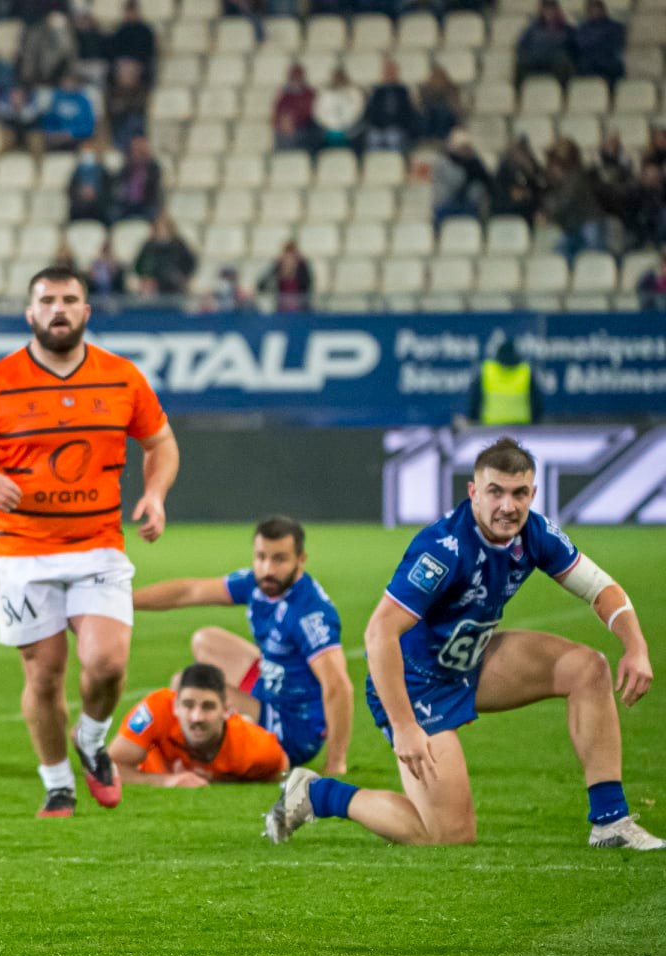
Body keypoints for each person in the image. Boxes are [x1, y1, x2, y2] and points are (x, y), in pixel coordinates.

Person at [269, 437, 658, 849]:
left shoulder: (534, 533)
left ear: (533, 494)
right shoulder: (443, 550)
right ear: (473, 491)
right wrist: (405, 727)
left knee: (588, 668)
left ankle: (611, 822)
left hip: (472, 664)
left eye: (519, 493)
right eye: (496, 492)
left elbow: (601, 589)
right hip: (417, 684)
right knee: (446, 835)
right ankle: (317, 794)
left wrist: (636, 647)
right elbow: (378, 633)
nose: (508, 506)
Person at [0, 264, 179, 818]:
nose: (58, 309)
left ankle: (91, 740)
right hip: (22, 551)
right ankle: (57, 782)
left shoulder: (122, 377)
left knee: (108, 664)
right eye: (47, 300)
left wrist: (156, 494)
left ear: (86, 311)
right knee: (44, 674)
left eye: (70, 299)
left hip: (99, 543)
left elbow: (161, 443)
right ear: (31, 313)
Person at [133, 515, 350, 773]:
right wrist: (123, 602)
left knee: (184, 687)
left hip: (293, 727)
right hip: (272, 687)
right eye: (261, 557)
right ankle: (225, 726)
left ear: (301, 560)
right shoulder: (258, 585)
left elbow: (339, 686)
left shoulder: (309, 614)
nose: (268, 569)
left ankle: (184, 756)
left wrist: (335, 763)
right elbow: (190, 591)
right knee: (206, 640)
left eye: (279, 559)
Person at [109, 664, 288, 787]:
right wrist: (167, 781)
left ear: (226, 710)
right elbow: (110, 766)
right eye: (188, 705)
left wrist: (223, 780)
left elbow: (280, 769)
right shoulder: (156, 709)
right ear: (175, 706)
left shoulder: (253, 745)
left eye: (208, 707)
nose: (196, 717)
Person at [465, 339, 543, 425]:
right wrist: (534, 422)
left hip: (491, 428)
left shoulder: (487, 371)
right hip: (520, 428)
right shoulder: (525, 372)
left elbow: (475, 402)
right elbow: (536, 404)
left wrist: (475, 421)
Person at [361, 58, 419, 153]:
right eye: (386, 72)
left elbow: (407, 112)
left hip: (397, 127)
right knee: (373, 136)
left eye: (391, 72)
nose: (388, 74)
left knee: (393, 137)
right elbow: (371, 111)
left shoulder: (403, 91)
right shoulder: (376, 91)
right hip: (378, 127)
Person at [132, 214, 194, 300]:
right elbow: (138, 266)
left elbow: (190, 263)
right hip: (152, 286)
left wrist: (182, 277)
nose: (161, 231)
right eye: (159, 228)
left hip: (173, 285)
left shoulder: (178, 245)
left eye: (164, 228)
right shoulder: (148, 246)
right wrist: (146, 278)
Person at [516, 0, 576, 87]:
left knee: (565, 64)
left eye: (552, 10)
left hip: (556, 63)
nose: (549, 13)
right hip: (536, 61)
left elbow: (573, 46)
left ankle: (563, 92)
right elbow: (522, 45)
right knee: (520, 64)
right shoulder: (532, 29)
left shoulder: (565, 28)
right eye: (546, 10)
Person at [312, 67, 364, 150]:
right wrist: (329, 124)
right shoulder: (324, 92)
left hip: (348, 128)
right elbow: (318, 112)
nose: (338, 80)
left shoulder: (354, 91)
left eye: (340, 77)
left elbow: (358, 111)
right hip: (327, 128)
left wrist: (343, 124)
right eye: (336, 77)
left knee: (359, 132)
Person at [575, 0, 625, 85]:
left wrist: (594, 42)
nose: (595, 12)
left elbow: (614, 45)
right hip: (589, 65)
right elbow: (582, 45)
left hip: (609, 65)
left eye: (597, 9)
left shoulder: (615, 27)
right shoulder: (583, 29)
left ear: (603, 10)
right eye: (592, 10)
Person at [258, 239, 312, 311]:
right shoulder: (277, 267)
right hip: (280, 310)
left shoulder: (302, 269)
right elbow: (261, 285)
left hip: (300, 310)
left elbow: (307, 287)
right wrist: (278, 273)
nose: (289, 260)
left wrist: (293, 274)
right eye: (287, 255)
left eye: (292, 256)